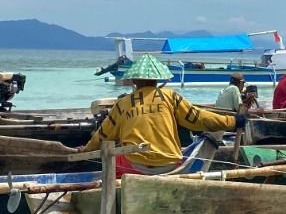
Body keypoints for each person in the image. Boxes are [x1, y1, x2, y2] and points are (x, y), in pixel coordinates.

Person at [81, 53, 238, 174]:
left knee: (112, 156)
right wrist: (233, 121)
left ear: (134, 81)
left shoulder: (122, 104)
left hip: (135, 166)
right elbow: (199, 118)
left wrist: (86, 150)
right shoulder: (170, 97)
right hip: (169, 165)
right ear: (157, 80)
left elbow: (103, 135)